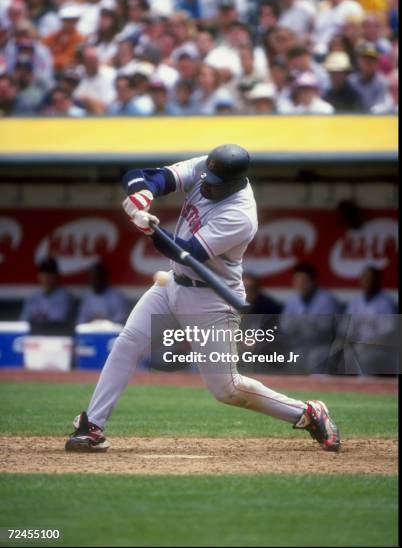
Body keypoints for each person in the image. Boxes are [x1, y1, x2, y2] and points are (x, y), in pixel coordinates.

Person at [65, 145, 340, 453]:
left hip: (211, 301)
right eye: (206, 177)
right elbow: (149, 176)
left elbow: (185, 251)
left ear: (234, 182)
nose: (206, 184)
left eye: (214, 182)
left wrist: (149, 229)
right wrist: (140, 195)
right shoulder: (206, 168)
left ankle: (308, 412)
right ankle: (93, 426)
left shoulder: (240, 215)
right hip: (171, 285)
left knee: (227, 389)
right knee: (128, 343)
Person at [280, 263, 340, 373]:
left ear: (313, 281)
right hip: (300, 346)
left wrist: (301, 324)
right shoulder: (292, 301)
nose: (300, 284)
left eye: (304, 281)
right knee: (292, 358)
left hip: (323, 346)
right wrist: (308, 324)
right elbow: (285, 326)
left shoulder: (326, 300)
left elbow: (327, 328)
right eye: (297, 281)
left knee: (316, 358)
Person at [20, 257, 75, 326]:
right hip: (35, 335)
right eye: (44, 273)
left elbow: (56, 323)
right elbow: (23, 322)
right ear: (39, 276)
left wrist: (36, 318)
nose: (47, 276)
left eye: (51, 273)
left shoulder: (65, 297)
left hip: (57, 335)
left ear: (57, 276)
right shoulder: (33, 297)